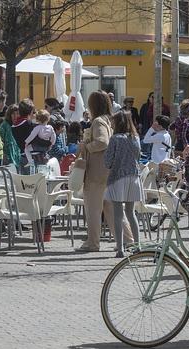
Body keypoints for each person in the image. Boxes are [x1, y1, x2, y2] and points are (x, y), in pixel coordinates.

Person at [76, 91, 132, 252]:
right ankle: (128, 240)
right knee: (112, 209)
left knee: (93, 209)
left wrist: (86, 146)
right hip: (109, 171)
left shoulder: (98, 121)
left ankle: (92, 242)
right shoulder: (110, 120)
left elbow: (102, 142)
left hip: (96, 173)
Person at [104, 111, 144, 258]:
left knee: (118, 214)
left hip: (118, 178)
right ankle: (137, 245)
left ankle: (120, 248)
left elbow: (107, 162)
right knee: (131, 213)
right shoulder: (135, 137)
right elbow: (138, 156)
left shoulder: (115, 139)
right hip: (134, 177)